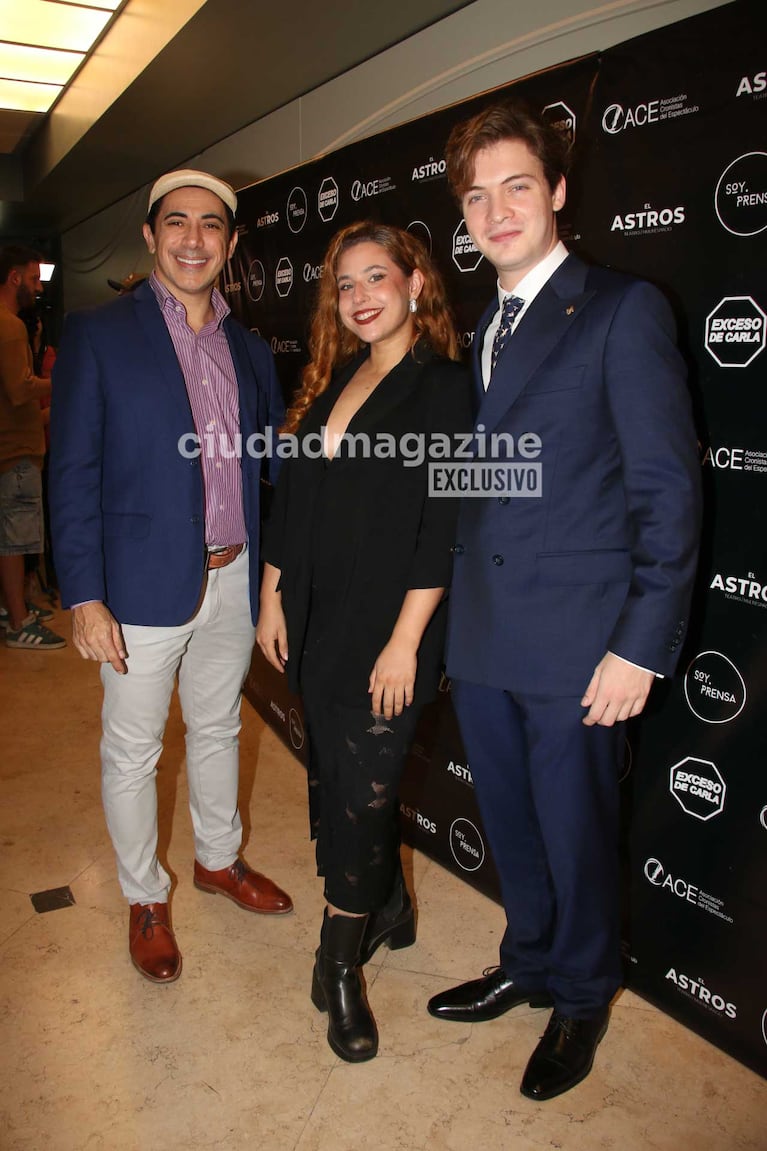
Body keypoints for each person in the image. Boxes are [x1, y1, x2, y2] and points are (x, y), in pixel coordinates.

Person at [427, 103, 702, 1100]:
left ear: (553, 193)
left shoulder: (621, 309)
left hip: (582, 643)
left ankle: (582, 991)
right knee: (509, 819)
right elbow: (484, 482)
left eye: (514, 185)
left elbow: (665, 492)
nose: (495, 209)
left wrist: (637, 645)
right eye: (475, 195)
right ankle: (530, 957)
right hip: (487, 634)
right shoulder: (478, 329)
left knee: (577, 830)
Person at [49, 169, 293, 985]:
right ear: (150, 236)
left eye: (212, 225)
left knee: (220, 724)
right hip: (138, 584)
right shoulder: (100, 333)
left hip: (230, 576)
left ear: (229, 243)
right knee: (134, 748)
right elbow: (73, 469)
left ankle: (219, 861)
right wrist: (84, 593)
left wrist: (271, 582)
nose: (195, 238)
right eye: (177, 223)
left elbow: (268, 471)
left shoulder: (250, 349)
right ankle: (145, 897)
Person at [257, 221, 471, 1061]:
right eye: (345, 284)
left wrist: (405, 641)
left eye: (376, 277)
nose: (359, 297)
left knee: (365, 794)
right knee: (337, 775)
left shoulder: (445, 387)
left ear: (416, 283)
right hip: (318, 620)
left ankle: (338, 961)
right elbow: (296, 503)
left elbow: (442, 526)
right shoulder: (336, 376)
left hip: (392, 628)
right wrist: (274, 596)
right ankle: (388, 906)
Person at [0, 247, 65, 649]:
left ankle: (14, 605)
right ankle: (19, 622)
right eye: (33, 279)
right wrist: (65, 382)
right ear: (13, 279)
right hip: (15, 453)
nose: (37, 287)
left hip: (14, 448)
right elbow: (20, 388)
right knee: (14, 539)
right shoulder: (9, 327)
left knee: (13, 536)